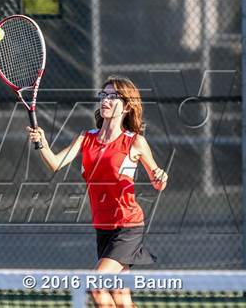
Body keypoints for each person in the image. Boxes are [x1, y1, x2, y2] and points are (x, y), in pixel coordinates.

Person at [26, 75, 168, 307]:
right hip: (102, 227)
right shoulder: (86, 138)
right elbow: (55, 163)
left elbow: (157, 181)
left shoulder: (135, 142)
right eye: (104, 95)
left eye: (113, 97)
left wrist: (161, 176)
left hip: (128, 225)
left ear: (127, 106)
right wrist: (42, 141)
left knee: (95, 285)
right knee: (121, 297)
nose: (106, 100)